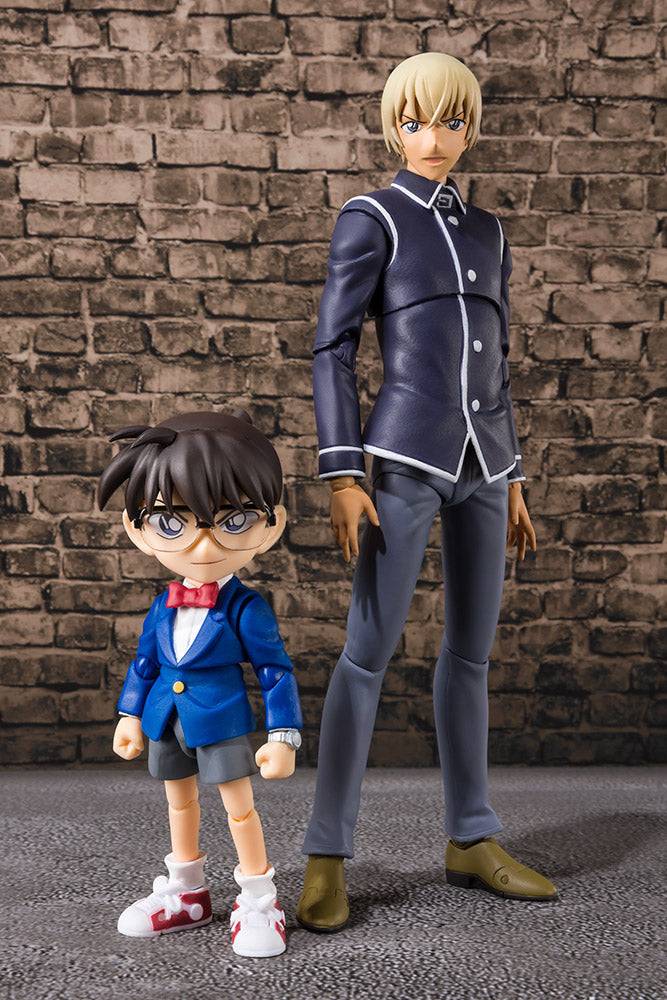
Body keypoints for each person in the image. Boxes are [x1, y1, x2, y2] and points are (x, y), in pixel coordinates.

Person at [297, 52, 557, 933]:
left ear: (469, 127)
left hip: (485, 464)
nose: (432, 138)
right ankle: (326, 852)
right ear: (393, 128)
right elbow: (332, 348)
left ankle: (471, 837)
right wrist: (342, 470)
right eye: (413, 122)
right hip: (403, 459)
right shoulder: (372, 217)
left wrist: (513, 475)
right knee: (366, 654)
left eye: (448, 121)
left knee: (471, 656)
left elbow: (497, 359)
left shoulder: (487, 231)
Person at [98, 409, 303, 958]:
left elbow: (275, 671)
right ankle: (187, 892)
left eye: (234, 520)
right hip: (166, 719)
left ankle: (258, 898)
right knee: (179, 804)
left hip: (221, 721)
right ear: (138, 529)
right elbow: (145, 663)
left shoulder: (246, 608)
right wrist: (130, 714)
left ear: (271, 525)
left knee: (239, 808)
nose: (205, 545)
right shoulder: (162, 605)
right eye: (173, 523)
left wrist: (283, 735)